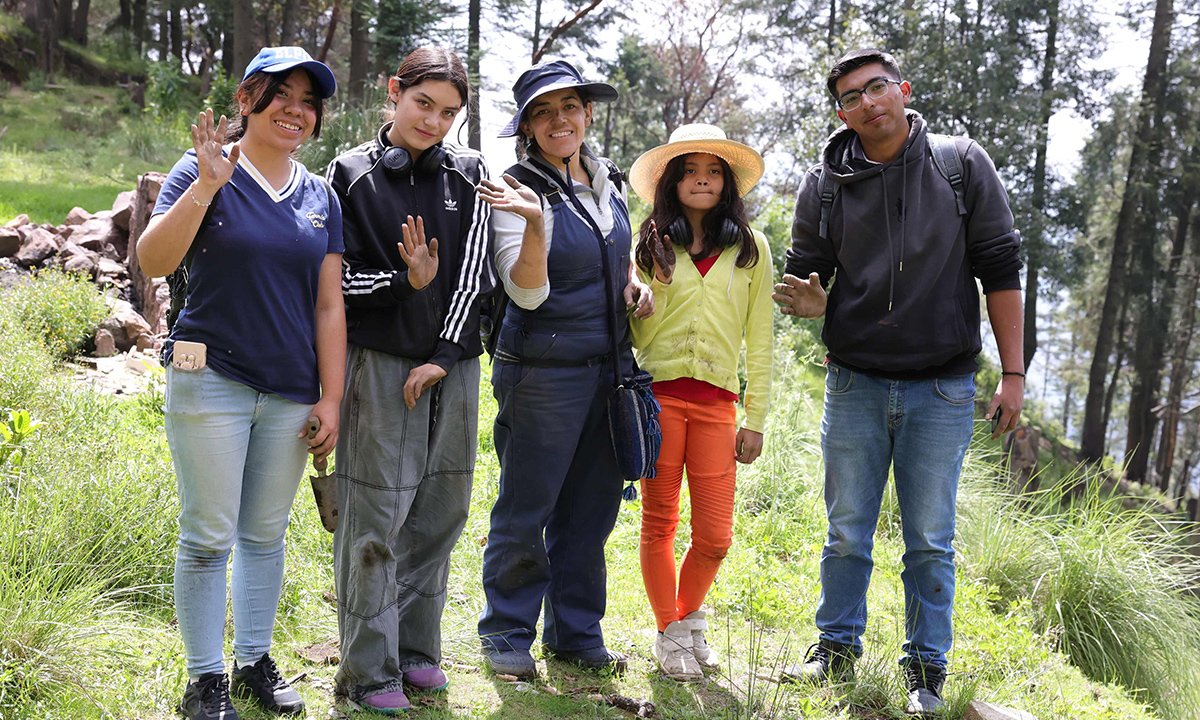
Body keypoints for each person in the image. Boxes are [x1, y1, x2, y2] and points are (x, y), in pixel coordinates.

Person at [772, 48, 1024, 715]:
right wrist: (810, 303)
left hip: (942, 390)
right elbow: (807, 276)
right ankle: (834, 651)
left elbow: (1001, 268)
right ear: (842, 114)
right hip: (853, 384)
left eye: (877, 87)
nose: (868, 102)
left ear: (903, 90)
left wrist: (1014, 375)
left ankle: (926, 671)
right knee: (846, 530)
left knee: (930, 540)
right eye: (851, 97)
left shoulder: (960, 165)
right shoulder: (825, 183)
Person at [137, 46, 344, 720]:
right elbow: (152, 259)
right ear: (247, 99)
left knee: (264, 535)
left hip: (290, 392)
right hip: (211, 381)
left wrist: (332, 396)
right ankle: (204, 681)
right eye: (282, 94)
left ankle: (253, 662)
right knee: (207, 535)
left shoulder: (320, 197)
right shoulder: (202, 169)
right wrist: (205, 186)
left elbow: (328, 305)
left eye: (308, 101)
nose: (295, 110)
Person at [323, 47, 492, 715]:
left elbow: (475, 273)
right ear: (395, 91)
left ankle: (418, 650)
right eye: (424, 103)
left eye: (449, 113)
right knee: (375, 516)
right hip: (380, 365)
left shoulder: (471, 173)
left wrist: (445, 355)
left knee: (440, 513)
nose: (434, 121)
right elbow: (336, 281)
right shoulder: (348, 174)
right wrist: (404, 282)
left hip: (454, 367)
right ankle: (367, 670)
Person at [474, 59, 653, 680]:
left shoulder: (609, 181)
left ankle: (576, 632)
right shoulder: (512, 188)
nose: (559, 120)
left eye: (569, 107)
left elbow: (615, 257)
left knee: (592, 509)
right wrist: (532, 224)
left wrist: (634, 283)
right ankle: (506, 633)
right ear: (526, 126)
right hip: (541, 373)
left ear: (588, 113)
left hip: (611, 371)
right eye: (543, 112)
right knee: (528, 505)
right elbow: (526, 293)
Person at [625, 124, 773, 680]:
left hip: (717, 406)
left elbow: (761, 339)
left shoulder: (751, 249)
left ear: (727, 183)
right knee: (659, 523)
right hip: (659, 400)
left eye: (714, 172)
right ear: (672, 182)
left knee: (715, 536)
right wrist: (658, 286)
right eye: (690, 171)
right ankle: (670, 631)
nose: (703, 181)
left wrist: (756, 417)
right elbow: (639, 336)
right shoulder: (651, 245)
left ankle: (686, 618)